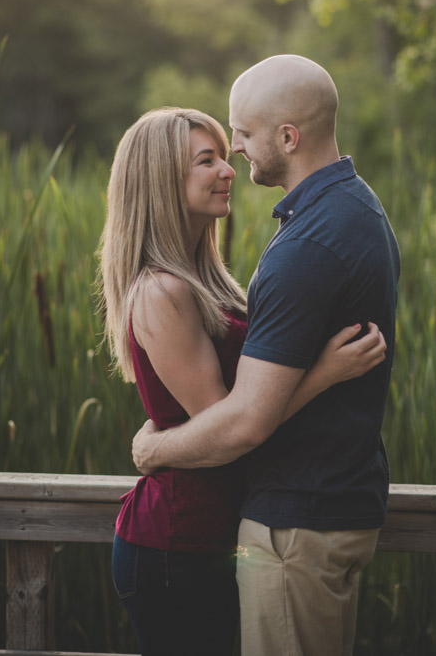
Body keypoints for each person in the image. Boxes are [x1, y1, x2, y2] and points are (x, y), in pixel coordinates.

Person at [133, 57, 400, 656]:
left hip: (299, 523)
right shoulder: (358, 210)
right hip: (314, 511)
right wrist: (323, 374)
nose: (236, 156)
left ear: (287, 137)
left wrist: (152, 448)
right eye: (213, 154)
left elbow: (246, 418)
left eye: (242, 136)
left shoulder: (305, 243)